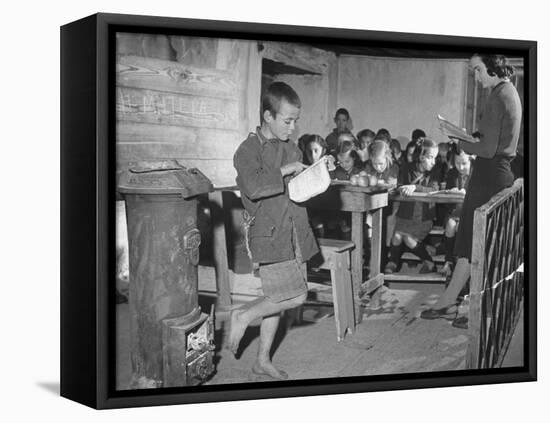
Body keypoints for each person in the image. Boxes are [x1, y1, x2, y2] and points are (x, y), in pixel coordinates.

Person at [421, 54, 522, 328]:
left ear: (492, 65)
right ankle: (450, 300)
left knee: (481, 245)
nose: (476, 77)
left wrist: (459, 141)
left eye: (478, 70)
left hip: (490, 176)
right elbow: (491, 140)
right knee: (469, 241)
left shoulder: (499, 95)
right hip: (492, 174)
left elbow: (488, 149)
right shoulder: (507, 91)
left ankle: (477, 306)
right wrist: (470, 137)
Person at [230, 82, 321, 379]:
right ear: (268, 116)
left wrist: (317, 171)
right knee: (295, 296)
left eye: (296, 121)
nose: (293, 128)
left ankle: (262, 360)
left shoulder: (290, 147)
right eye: (287, 120)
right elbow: (255, 187)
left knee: (277, 298)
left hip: (295, 230)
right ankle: (242, 316)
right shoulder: (247, 150)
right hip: (270, 234)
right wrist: (285, 170)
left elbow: (296, 187)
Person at [385, 138, 439, 274]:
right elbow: (399, 186)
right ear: (421, 157)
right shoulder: (407, 168)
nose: (434, 161)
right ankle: (393, 262)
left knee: (407, 238)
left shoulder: (435, 172)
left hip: (424, 218)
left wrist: (415, 187)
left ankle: (429, 261)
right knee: (397, 236)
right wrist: (400, 188)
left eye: (435, 158)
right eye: (431, 157)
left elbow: (433, 189)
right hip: (405, 216)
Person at [439, 145, 473, 278]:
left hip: (469, 212)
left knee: (460, 227)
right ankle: (449, 259)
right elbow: (446, 193)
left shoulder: (477, 173)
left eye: (464, 163)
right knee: (451, 225)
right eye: (457, 163)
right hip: (454, 211)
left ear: (471, 160)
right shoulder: (452, 173)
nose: (461, 167)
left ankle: (460, 263)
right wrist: (450, 192)